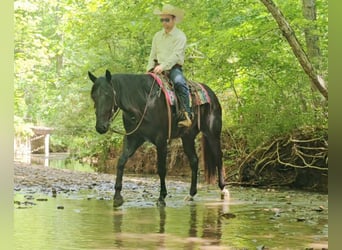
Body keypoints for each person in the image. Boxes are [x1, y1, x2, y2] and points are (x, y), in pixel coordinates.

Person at [147, 4, 192, 128]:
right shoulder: (157, 36)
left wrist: (163, 66)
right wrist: (149, 69)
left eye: (167, 19)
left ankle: (187, 115)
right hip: (156, 68)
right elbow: (153, 54)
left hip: (173, 68)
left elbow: (176, 55)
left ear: (174, 19)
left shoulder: (180, 36)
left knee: (179, 83)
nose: (164, 23)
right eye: (162, 20)